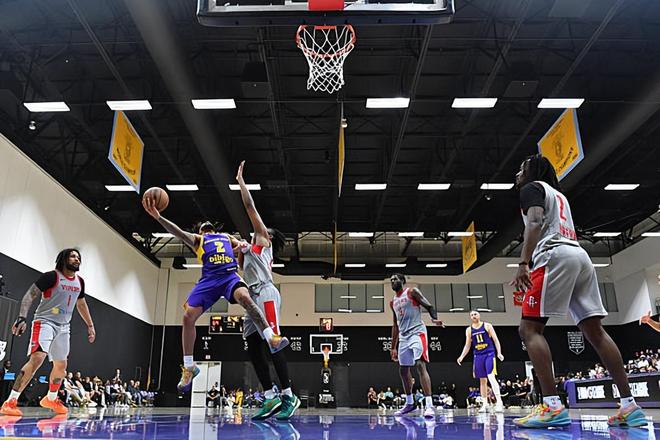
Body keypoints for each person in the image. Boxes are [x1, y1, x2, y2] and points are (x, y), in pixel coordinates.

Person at [510, 154, 647, 428]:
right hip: (580, 257)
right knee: (596, 332)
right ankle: (629, 405)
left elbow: (535, 222)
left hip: (554, 255)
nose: (517, 173)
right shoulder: (558, 195)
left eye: (521, 168)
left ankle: (552, 406)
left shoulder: (532, 188)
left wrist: (523, 263)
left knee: (529, 330)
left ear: (533, 171)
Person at [142, 196, 289, 393]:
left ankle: (270, 336)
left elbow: (242, 247)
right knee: (187, 317)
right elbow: (178, 232)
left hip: (229, 276)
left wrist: (243, 246)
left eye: (208, 225)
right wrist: (159, 217)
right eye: (203, 226)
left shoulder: (226, 237)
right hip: (209, 280)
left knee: (246, 298)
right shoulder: (198, 240)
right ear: (200, 231)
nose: (206, 225)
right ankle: (189, 366)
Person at [234, 161, 300, 420]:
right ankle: (271, 396)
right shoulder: (249, 249)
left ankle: (289, 395)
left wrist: (241, 182)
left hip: (266, 293)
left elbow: (250, 207)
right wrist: (239, 249)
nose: (258, 231)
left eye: (262, 230)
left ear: (268, 237)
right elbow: (241, 267)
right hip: (251, 298)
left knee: (273, 341)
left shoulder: (263, 240)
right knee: (252, 346)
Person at [1, 249, 95, 416]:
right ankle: (10, 402)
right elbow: (30, 295)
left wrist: (90, 325)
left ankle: (51, 399)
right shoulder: (51, 276)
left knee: (61, 366)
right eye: (73, 256)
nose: (77, 259)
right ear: (64, 259)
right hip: (45, 322)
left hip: (64, 327)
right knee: (37, 359)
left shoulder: (80, 282)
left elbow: (81, 304)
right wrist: (22, 317)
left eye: (79, 257)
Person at [388, 273, 444, 418]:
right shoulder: (392, 302)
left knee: (420, 364)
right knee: (403, 370)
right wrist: (393, 347)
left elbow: (429, 306)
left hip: (417, 332)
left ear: (402, 281)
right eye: (391, 280)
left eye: (395, 279)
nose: (393, 281)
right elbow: (395, 325)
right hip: (404, 336)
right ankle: (409, 403)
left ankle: (429, 405)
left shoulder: (412, 292)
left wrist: (434, 319)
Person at [456, 310, 505, 413]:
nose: (473, 316)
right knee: (482, 380)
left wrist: (499, 352)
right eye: (471, 315)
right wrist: (461, 356)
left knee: (491, 377)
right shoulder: (469, 330)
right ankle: (485, 404)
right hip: (478, 356)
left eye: (475, 314)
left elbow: (496, 340)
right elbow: (467, 345)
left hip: (489, 354)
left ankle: (499, 402)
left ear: (479, 315)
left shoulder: (487, 326)